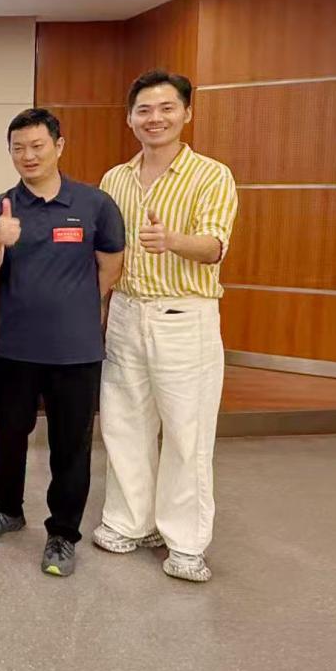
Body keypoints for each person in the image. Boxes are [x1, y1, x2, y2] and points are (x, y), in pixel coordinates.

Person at [94, 70, 239, 583]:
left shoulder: (211, 175)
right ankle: (130, 522)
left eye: (166, 108)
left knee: (186, 432)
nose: (154, 119)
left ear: (186, 113)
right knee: (123, 422)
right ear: (130, 119)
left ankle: (186, 542)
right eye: (144, 110)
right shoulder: (115, 179)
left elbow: (216, 246)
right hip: (126, 310)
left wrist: (172, 240)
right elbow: (106, 252)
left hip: (184, 314)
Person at [0, 108, 125, 578]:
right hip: (13, 348)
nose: (28, 155)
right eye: (18, 148)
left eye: (37, 146)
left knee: (70, 446)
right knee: (10, 437)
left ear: (59, 145)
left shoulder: (95, 204)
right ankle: (7, 509)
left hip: (76, 352)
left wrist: (76, 310)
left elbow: (111, 266)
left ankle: (62, 533)